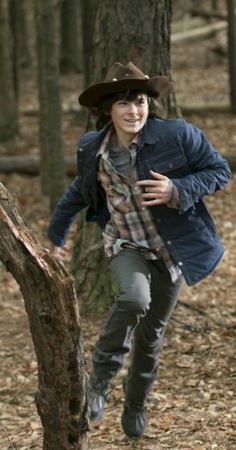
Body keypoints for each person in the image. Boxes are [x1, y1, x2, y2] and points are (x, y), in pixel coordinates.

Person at [48, 61, 231, 439]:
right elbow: (75, 196)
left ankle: (135, 405)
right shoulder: (91, 148)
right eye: (124, 104)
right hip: (125, 243)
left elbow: (219, 171)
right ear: (107, 110)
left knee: (152, 335)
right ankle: (97, 382)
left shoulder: (176, 135)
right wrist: (56, 237)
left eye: (140, 102)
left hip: (171, 251)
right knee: (133, 299)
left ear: (150, 105)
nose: (134, 111)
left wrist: (177, 190)